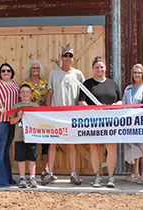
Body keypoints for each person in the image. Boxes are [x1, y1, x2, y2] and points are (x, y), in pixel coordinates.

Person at [42, 46, 85, 185]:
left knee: (72, 144)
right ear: (62, 57)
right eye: (65, 55)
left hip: (72, 115)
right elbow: (50, 92)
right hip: (56, 114)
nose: (68, 58)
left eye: (70, 56)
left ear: (73, 58)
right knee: (52, 143)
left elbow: (83, 94)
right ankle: (50, 173)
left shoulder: (78, 74)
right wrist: (48, 111)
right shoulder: (54, 73)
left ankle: (73, 173)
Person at [79, 56, 122, 188]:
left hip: (110, 122)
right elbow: (81, 102)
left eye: (101, 67)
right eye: (97, 67)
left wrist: (115, 105)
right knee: (94, 147)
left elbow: (120, 101)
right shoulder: (87, 84)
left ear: (105, 68)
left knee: (112, 148)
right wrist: (92, 110)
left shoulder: (112, 84)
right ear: (93, 69)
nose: (99, 69)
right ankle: (97, 176)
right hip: (93, 121)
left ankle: (110, 177)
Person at [20, 60, 49, 180]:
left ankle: (45, 169)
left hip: (42, 117)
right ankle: (29, 172)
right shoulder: (24, 84)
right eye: (33, 68)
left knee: (45, 143)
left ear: (40, 70)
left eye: (37, 68)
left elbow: (48, 99)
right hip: (29, 117)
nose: (35, 70)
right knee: (29, 143)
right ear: (30, 70)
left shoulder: (45, 84)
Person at [122, 64, 143, 184]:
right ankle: (135, 173)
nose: (137, 75)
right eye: (135, 72)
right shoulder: (128, 89)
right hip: (130, 123)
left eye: (139, 72)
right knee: (133, 147)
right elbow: (123, 104)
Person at [9, 84, 39, 188]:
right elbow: (12, 121)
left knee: (32, 157)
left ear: (31, 94)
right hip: (20, 136)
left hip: (32, 135)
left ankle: (32, 177)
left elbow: (39, 120)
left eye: (27, 92)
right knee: (21, 158)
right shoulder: (15, 106)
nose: (25, 94)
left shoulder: (35, 105)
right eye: (23, 92)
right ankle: (22, 178)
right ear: (19, 95)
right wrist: (19, 116)